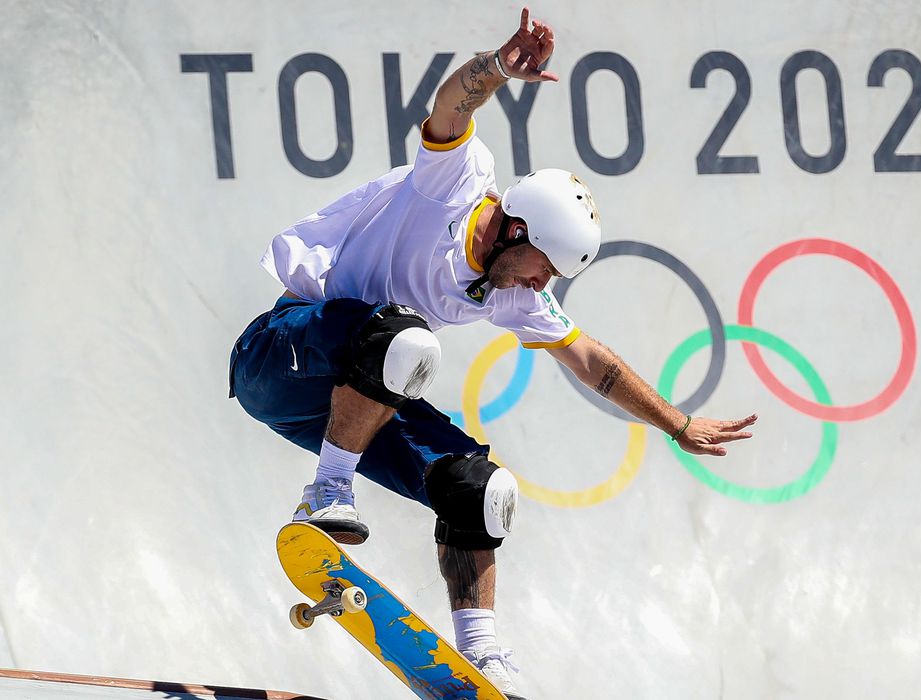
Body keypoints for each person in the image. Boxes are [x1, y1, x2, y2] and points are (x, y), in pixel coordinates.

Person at [229, 8, 756, 697]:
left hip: (347, 403)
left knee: (480, 487)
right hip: (281, 355)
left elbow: (593, 362)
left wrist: (677, 424)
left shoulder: (508, 292)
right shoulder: (452, 184)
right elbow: (451, 103)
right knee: (402, 338)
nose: (545, 283)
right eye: (544, 265)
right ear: (515, 227)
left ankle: (479, 654)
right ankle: (326, 492)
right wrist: (500, 69)